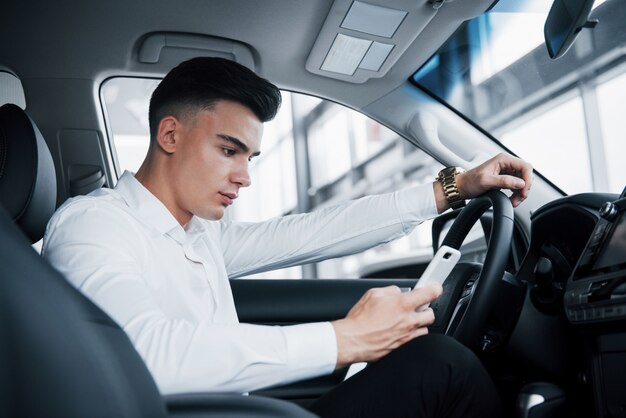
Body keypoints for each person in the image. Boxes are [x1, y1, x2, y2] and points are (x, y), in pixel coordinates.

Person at [43, 57, 532, 417]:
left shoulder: (198, 233)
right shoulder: (94, 223)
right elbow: (144, 356)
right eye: (229, 150)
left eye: (250, 158)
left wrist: (455, 188)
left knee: (431, 359)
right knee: (443, 365)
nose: (244, 176)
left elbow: (311, 232)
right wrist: (347, 338)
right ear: (170, 136)